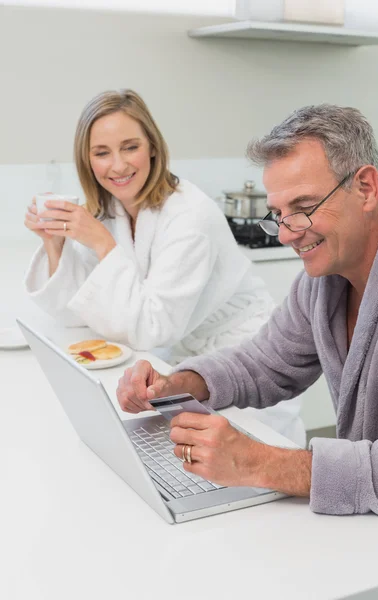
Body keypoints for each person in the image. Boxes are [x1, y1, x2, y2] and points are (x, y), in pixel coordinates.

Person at [117, 103, 378, 516]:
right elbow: (265, 363)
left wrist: (262, 463)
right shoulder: (323, 284)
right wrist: (176, 385)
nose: (286, 234)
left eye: (303, 208)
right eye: (278, 214)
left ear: (366, 188)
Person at [23, 88, 305, 446]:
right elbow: (75, 310)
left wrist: (100, 242)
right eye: (102, 153)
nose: (119, 165)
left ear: (153, 146)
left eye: (130, 147)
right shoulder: (112, 211)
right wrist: (54, 241)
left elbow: (153, 327)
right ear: (86, 160)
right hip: (179, 367)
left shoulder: (189, 216)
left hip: (240, 364)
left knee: (254, 480)